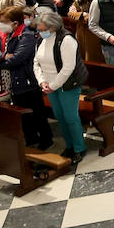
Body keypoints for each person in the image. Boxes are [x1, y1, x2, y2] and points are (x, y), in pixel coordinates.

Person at [0, 6, 52, 150]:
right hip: (11, 81)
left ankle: (46, 139)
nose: (0, 24)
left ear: (15, 23)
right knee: (22, 114)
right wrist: (4, 56)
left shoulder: (26, 36)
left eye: (3, 22)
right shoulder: (3, 34)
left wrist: (0, 60)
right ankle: (30, 138)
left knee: (37, 113)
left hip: (27, 81)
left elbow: (18, 59)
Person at [33, 11, 88, 168]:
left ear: (53, 27)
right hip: (49, 84)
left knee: (70, 117)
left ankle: (79, 148)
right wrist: (42, 81)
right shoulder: (41, 39)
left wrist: (53, 85)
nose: (40, 32)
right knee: (60, 116)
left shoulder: (66, 40)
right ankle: (69, 146)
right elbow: (36, 62)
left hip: (67, 84)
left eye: (43, 29)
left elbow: (68, 68)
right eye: (39, 29)